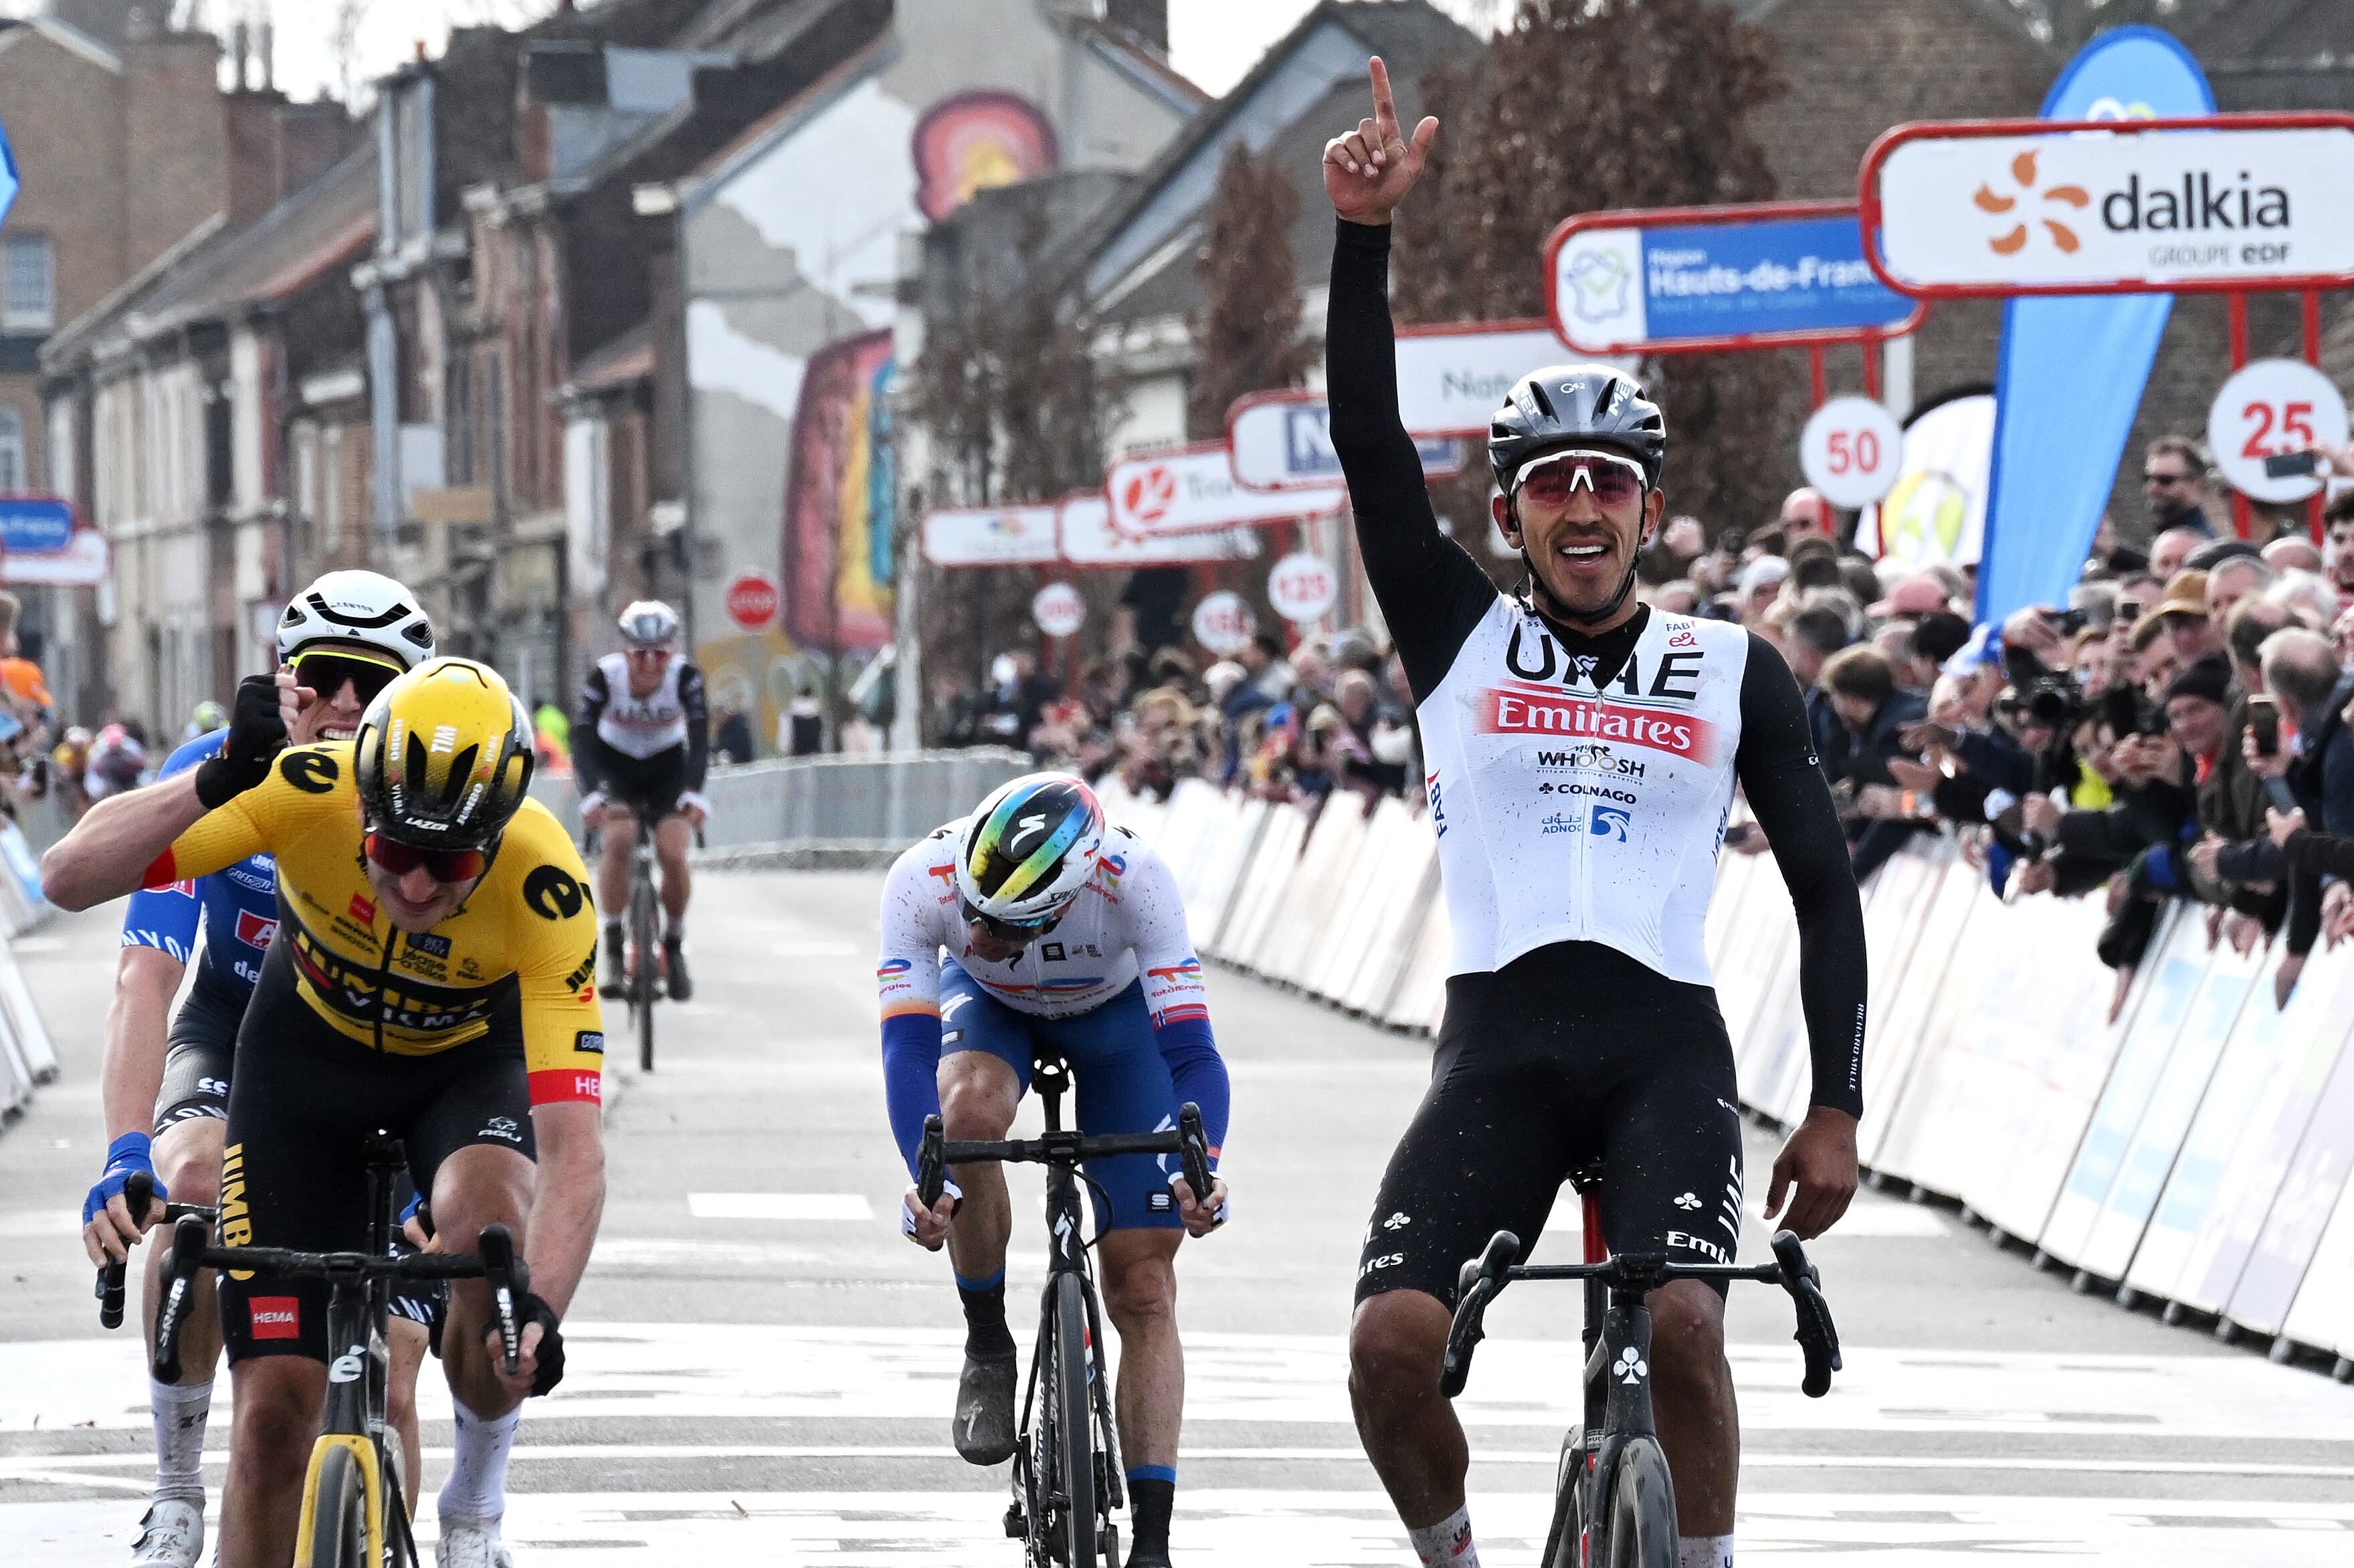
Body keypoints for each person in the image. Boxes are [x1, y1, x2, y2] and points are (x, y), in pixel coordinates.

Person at [1320, 60, 1868, 1568]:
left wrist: (1835, 1103)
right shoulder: (1458, 634)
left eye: (1605, 483)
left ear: (1645, 508)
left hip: (1661, 1047)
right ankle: (1457, 1557)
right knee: (1385, 1345)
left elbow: (1824, 886)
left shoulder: (1728, 667)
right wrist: (1364, 238)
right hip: (1495, 1044)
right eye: (1548, 483)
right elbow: (1370, 448)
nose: (1578, 505)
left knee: (1687, 1323)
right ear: (1508, 512)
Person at [43, 656, 608, 1568]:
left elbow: (575, 1151)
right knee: (269, 1424)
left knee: (491, 1225)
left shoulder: (548, 887)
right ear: (364, 809)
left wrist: (538, 1307)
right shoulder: (309, 791)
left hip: (463, 1074)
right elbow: (68, 877)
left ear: (499, 836)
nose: (418, 888)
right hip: (303, 1067)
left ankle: (472, 1510)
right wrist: (217, 777)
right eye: (394, 852)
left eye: (451, 862)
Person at [80, 572, 448, 1568]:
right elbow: (144, 979)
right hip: (239, 1030)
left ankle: (466, 1523)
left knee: (402, 1375)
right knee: (189, 1187)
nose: (340, 706)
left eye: (368, 684)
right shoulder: (225, 767)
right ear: (281, 679)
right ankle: (175, 1489)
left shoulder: (436, 783)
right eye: (319, 679)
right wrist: (123, 1150)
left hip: (394, 1050)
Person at [880, 773, 1231, 1568]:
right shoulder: (919, 881)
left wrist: (1201, 1166)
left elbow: (1193, 1055)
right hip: (991, 1013)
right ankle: (988, 1343)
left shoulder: (1137, 882)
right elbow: (906, 1050)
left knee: (1142, 1289)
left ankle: (1154, 1542)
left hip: (1116, 1020)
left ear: (1066, 902)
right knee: (966, 1115)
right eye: (970, 908)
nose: (974, 929)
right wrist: (927, 1175)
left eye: (1001, 924)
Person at [573, 601, 710, 1002]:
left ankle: (674, 945)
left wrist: (693, 791)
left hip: (667, 769)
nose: (650, 664)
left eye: (660, 654)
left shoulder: (686, 677)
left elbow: (700, 740)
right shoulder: (605, 677)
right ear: (625, 651)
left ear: (671, 652)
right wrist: (592, 794)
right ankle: (614, 946)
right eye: (640, 654)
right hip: (617, 768)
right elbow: (582, 739)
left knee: (672, 851)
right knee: (618, 842)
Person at [2144, 434, 2216, 538]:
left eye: (2165, 480)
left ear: (2195, 484)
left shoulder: (2199, 542)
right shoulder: (2167, 533)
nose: (2153, 487)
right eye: (2148, 478)